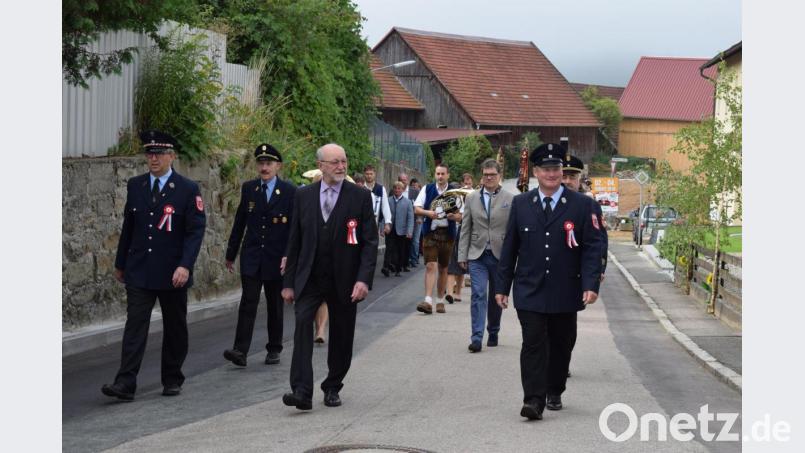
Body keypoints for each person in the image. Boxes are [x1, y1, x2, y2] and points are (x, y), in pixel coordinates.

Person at [495, 143, 603, 421]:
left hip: (565, 288)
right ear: (536, 172)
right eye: (546, 169)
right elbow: (510, 247)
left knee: (561, 344)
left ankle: (555, 389)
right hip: (529, 288)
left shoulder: (582, 205)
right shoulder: (522, 204)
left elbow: (592, 248)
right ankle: (533, 399)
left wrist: (591, 283)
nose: (552, 174)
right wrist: (502, 287)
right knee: (532, 343)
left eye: (556, 169)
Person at [101, 130, 206, 401]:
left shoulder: (187, 189)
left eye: (159, 154)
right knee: (135, 325)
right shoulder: (136, 185)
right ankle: (125, 382)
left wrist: (185, 265)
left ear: (172, 156)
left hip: (172, 271)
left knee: (174, 326)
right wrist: (121, 262)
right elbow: (129, 226)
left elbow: (195, 232)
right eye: (149, 154)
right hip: (140, 269)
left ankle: (172, 378)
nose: (153, 159)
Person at [281, 143, 378, 410]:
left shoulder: (360, 196)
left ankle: (332, 385)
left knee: (342, 334)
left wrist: (363, 279)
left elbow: (369, 242)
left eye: (343, 161)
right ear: (320, 166)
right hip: (310, 277)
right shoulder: (303, 196)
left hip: (345, 279)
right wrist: (288, 283)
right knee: (302, 325)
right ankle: (302, 391)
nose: (341, 166)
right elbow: (294, 241)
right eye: (335, 162)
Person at [222, 144, 296, 367]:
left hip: (276, 258)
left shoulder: (289, 191)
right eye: (261, 163)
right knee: (248, 302)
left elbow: (293, 229)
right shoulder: (249, 189)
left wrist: (289, 256)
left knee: (275, 304)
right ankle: (240, 350)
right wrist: (231, 253)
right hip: (252, 255)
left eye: (269, 163)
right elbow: (240, 222)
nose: (264, 168)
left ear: (278, 166)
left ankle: (274, 348)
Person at [561, 154, 609, 378]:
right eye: (564, 175)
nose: (567, 181)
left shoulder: (588, 205)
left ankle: (562, 361)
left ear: (579, 179)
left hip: (575, 274)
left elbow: (599, 241)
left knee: (567, 325)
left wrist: (598, 270)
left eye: (572, 176)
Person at [458, 159, 513, 352]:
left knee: (497, 296)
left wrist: (514, 256)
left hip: (500, 256)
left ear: (500, 176)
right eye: (485, 175)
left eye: (492, 175)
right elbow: (465, 227)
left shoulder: (510, 199)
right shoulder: (472, 198)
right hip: (477, 254)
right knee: (478, 294)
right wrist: (462, 254)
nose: (489, 178)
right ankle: (476, 337)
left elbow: (513, 231)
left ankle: (494, 330)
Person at [414, 164, 462, 314]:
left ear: (448, 175)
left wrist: (454, 216)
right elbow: (416, 208)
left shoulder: (454, 192)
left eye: (442, 174)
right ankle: (428, 300)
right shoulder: (427, 189)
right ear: (435, 175)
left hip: (448, 234)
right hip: (430, 233)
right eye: (438, 174)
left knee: (443, 268)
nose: (440, 176)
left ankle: (440, 300)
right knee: (430, 265)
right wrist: (428, 213)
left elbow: (462, 215)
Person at [446, 173, 474, 303]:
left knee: (461, 262)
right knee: (451, 263)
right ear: (462, 184)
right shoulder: (455, 197)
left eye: (469, 183)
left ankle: (457, 292)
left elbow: (466, 217)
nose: (467, 185)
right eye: (465, 183)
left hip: (465, 233)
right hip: (451, 232)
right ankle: (449, 292)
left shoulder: (474, 197)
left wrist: (456, 217)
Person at [382, 181, 414, 277]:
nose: (397, 190)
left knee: (400, 250)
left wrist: (409, 231)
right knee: (389, 249)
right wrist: (382, 227)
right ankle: (386, 267)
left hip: (402, 230)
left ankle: (398, 269)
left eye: (399, 188)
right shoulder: (388, 200)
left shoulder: (408, 202)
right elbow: (384, 215)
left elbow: (410, 218)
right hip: (390, 229)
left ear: (403, 190)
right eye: (395, 188)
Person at [363, 165, 392, 243]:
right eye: (367, 174)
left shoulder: (381, 189)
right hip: (362, 223)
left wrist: (387, 222)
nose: (369, 176)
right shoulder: (360, 188)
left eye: (371, 174)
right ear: (364, 174)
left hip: (375, 223)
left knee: (373, 245)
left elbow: (385, 206)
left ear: (375, 174)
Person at [407, 178, 422, 268]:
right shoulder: (408, 193)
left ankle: (414, 258)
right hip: (409, 219)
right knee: (409, 239)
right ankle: (409, 258)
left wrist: (419, 217)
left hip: (417, 219)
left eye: (415, 186)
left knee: (415, 240)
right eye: (412, 186)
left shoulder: (419, 193)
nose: (414, 187)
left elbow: (421, 206)